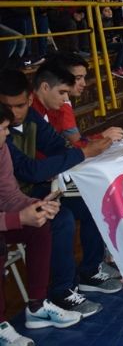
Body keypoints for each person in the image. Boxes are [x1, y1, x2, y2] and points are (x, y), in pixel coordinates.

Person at [0, 68, 117, 317]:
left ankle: (89, 270)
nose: (13, 113)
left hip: (27, 194)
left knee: (90, 201)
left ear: (30, 100)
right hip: (19, 197)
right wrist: (83, 152)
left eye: (19, 105)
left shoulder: (30, 118)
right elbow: (29, 170)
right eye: (7, 106)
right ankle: (61, 291)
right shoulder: (2, 130)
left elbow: (57, 146)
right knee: (60, 218)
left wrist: (90, 145)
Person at [0, 103, 81, 346]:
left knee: (39, 224)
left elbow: (9, 195)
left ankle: (36, 305)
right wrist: (16, 218)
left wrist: (34, 206)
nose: (7, 134)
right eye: (2, 129)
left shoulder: (1, 149)